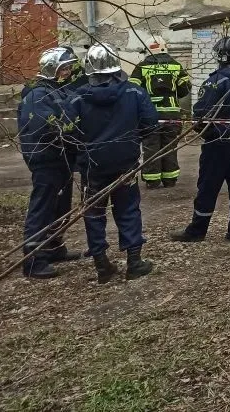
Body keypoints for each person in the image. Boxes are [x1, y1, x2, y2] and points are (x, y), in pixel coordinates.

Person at [69, 44, 159, 283]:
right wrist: (131, 139)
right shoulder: (134, 93)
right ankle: (134, 262)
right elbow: (150, 123)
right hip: (125, 162)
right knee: (128, 210)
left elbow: (68, 133)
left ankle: (102, 265)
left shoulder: (77, 97)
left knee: (94, 212)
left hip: (92, 166)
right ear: (116, 65)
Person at [170, 35, 230, 244]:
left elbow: (201, 115)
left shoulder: (217, 81)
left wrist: (208, 133)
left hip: (218, 141)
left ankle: (197, 231)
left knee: (208, 185)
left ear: (224, 56)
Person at [17, 47, 84, 279]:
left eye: (68, 67)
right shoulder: (37, 95)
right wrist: (70, 133)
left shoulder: (56, 90)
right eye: (63, 67)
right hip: (46, 158)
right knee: (43, 208)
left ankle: (54, 248)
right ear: (51, 69)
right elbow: (46, 127)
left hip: (62, 157)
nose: (67, 71)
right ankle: (34, 260)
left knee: (60, 206)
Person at [130, 35, 191, 189]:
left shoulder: (141, 67)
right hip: (172, 114)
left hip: (150, 114)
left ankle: (152, 180)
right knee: (170, 145)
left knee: (151, 146)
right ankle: (170, 179)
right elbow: (185, 89)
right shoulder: (176, 66)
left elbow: (132, 90)